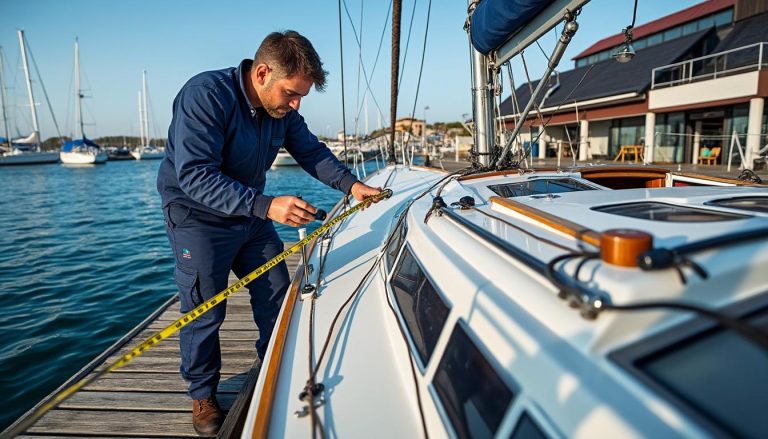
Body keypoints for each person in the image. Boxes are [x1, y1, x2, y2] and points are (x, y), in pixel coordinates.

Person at [156, 30, 381, 435]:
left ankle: (272, 365)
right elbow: (194, 175)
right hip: (196, 217)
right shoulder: (205, 95)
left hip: (249, 213)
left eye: (301, 99)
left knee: (277, 293)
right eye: (291, 95)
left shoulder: (283, 113)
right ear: (262, 73)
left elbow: (311, 152)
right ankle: (202, 394)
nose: (295, 106)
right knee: (206, 309)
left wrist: (352, 185)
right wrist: (268, 206)